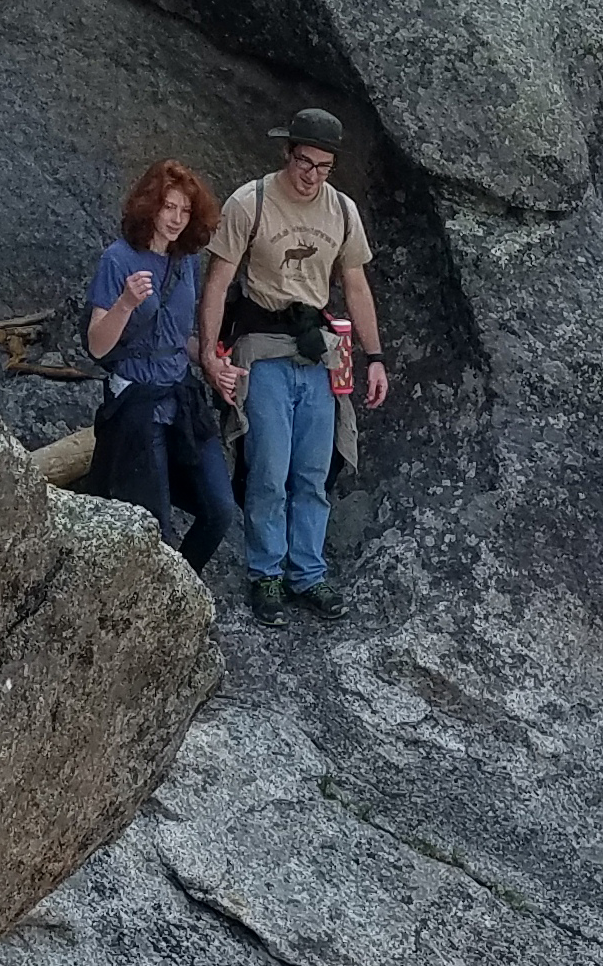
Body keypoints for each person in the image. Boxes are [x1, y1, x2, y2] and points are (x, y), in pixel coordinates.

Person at [200, 106, 391, 624]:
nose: (312, 176)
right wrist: (207, 351)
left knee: (312, 470)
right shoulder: (251, 202)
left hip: (317, 351)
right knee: (268, 468)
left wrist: (375, 359)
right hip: (262, 348)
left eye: (323, 167)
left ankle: (308, 573)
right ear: (288, 153)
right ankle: (267, 574)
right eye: (304, 162)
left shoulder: (342, 211)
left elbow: (355, 286)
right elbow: (219, 282)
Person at [83, 158, 240, 574]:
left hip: (180, 394)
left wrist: (214, 363)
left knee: (220, 510)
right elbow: (97, 345)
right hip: (136, 401)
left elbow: (176, 336)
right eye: (169, 207)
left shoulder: (185, 259)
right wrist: (126, 304)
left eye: (185, 211)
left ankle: (179, 593)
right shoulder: (118, 259)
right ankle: (169, 608)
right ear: (150, 205)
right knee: (157, 530)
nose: (176, 219)